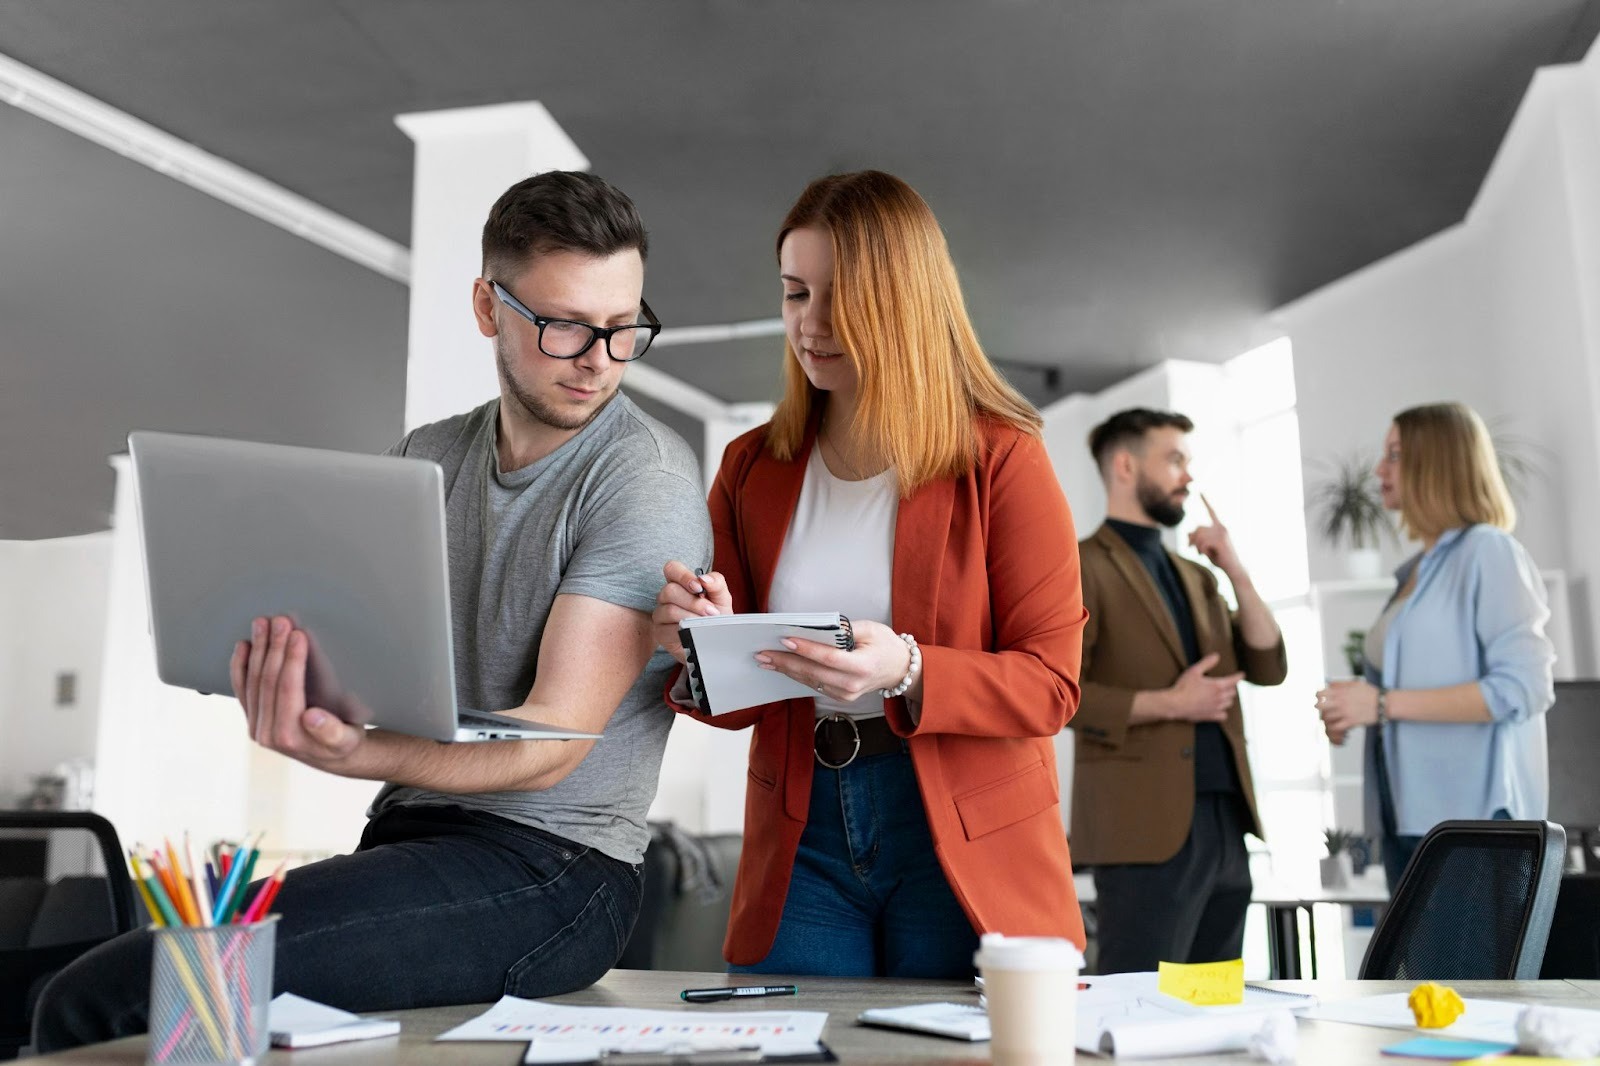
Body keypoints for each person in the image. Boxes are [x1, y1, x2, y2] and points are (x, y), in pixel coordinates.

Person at [35, 171, 712, 1051]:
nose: (599, 359)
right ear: (486, 306)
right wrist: (294, 676)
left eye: (625, 330)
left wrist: (359, 751)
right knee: (131, 1007)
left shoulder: (643, 478)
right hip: (409, 839)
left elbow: (552, 746)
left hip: (556, 871)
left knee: (113, 994)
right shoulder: (427, 456)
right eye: (565, 326)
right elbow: (380, 663)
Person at [651, 170, 1088, 979]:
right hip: (801, 831)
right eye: (794, 293)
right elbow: (729, 699)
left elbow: (1052, 685)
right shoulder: (752, 466)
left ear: (905, 300)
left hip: (960, 831)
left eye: (839, 296)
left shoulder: (1002, 457)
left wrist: (910, 671)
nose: (809, 325)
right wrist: (694, 639)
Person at [1068, 408, 1287, 975]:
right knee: (1138, 1001)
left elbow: (1267, 664)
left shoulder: (1199, 575)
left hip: (1224, 821)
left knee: (1213, 1000)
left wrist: (1235, 568)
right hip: (1140, 832)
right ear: (1124, 465)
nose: (1188, 475)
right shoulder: (1079, 565)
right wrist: (1172, 703)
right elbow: (1060, 692)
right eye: (1174, 459)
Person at [1317, 401, 1554, 889]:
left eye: (1395, 455)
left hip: (1472, 827)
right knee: (1423, 968)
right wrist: (1354, 708)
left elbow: (1523, 689)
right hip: (1409, 820)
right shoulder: (1418, 572)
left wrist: (1380, 704)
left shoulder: (1489, 551)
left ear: (1439, 463)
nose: (1379, 470)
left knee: (1463, 967)